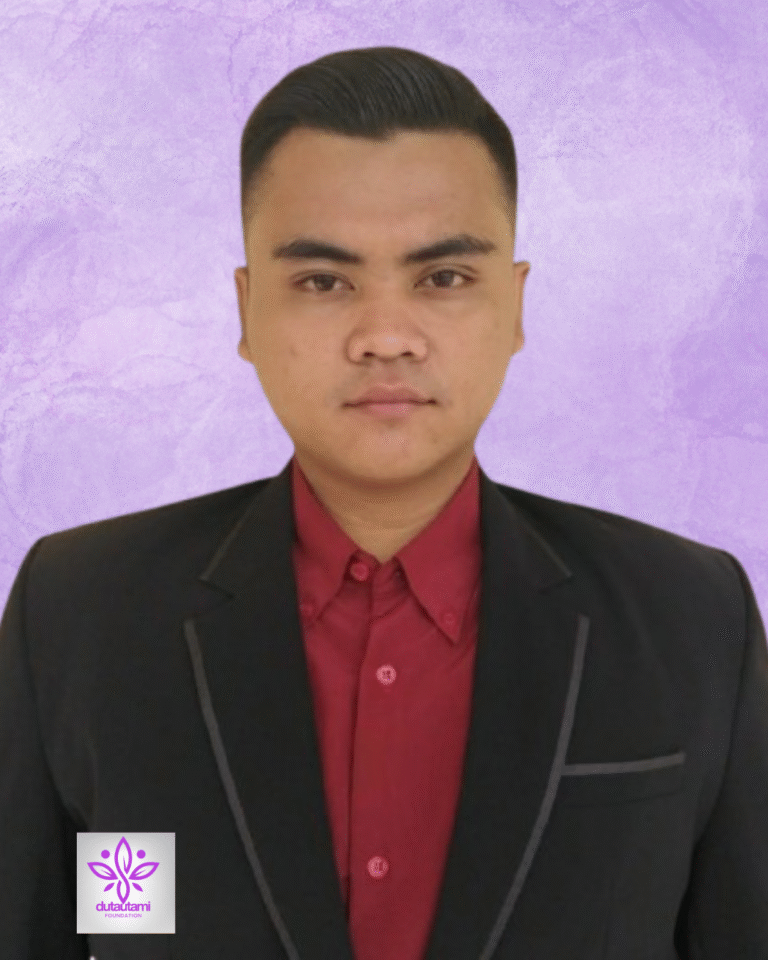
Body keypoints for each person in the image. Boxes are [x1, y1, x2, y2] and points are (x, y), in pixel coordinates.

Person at [0, 45, 766, 960]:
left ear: (515, 305)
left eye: (443, 278)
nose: (386, 336)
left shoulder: (690, 617)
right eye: (324, 282)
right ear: (246, 311)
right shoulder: (81, 614)